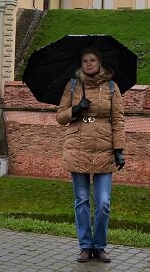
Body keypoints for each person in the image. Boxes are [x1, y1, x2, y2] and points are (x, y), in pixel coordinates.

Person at [56, 47, 126, 263]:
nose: (88, 63)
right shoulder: (73, 85)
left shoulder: (112, 88)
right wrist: (75, 110)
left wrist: (119, 149)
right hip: (78, 147)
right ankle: (86, 246)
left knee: (103, 202)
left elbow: (118, 120)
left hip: (105, 148)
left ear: (100, 62)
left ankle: (100, 245)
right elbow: (60, 116)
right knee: (82, 199)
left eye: (92, 60)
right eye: (85, 60)